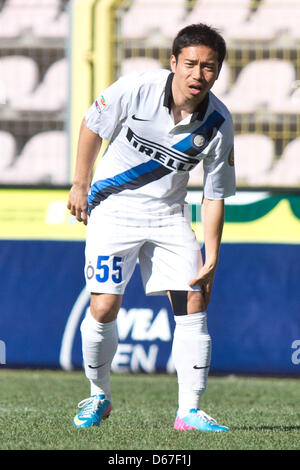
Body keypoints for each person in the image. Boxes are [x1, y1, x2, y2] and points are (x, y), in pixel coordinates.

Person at [67, 23, 235, 432]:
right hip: (113, 208)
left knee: (194, 301)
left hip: (168, 215)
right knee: (103, 307)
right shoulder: (137, 87)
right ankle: (98, 394)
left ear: (217, 72)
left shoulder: (218, 123)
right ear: (173, 62)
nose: (198, 74)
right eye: (191, 64)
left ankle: (189, 413)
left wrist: (212, 254)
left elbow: (214, 194)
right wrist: (80, 181)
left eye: (209, 67)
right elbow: (92, 123)